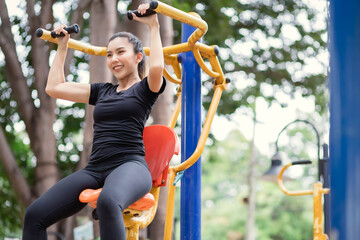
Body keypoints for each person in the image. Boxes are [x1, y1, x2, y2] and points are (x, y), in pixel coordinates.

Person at [22, 4, 165, 240]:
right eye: (109, 54)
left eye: (120, 52)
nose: (113, 59)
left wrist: (153, 25)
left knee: (109, 201)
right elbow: (54, 87)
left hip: (130, 165)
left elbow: (157, 66)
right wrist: (62, 48)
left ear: (138, 57)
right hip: (96, 168)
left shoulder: (145, 89)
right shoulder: (103, 91)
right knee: (34, 214)